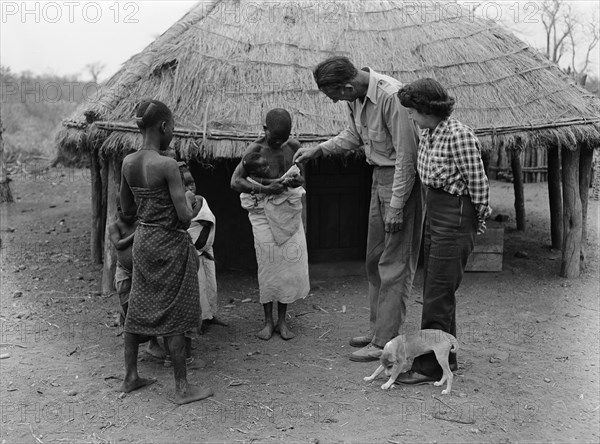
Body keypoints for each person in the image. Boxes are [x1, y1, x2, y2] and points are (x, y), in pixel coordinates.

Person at [293, 56, 424, 362]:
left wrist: (396, 206)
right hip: (379, 178)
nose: (336, 101)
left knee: (395, 265)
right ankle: (378, 329)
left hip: (401, 182)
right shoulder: (356, 98)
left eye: (335, 95)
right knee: (374, 260)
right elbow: (354, 136)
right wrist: (319, 149)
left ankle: (385, 342)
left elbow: (407, 155)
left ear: (348, 85)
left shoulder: (391, 96)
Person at [396, 78, 491, 384]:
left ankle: (428, 367)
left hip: (455, 215)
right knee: (438, 291)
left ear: (426, 109)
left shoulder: (458, 135)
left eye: (413, 111)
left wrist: (478, 220)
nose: (410, 116)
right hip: (434, 211)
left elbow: (478, 184)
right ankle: (446, 358)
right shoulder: (429, 133)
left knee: (437, 295)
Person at [119, 99, 213, 404]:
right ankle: (182, 388)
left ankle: (131, 376)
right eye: (172, 127)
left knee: (137, 307)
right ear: (163, 126)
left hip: (143, 240)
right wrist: (188, 197)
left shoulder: (128, 163)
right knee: (173, 312)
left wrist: (150, 205)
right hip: (170, 244)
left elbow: (127, 210)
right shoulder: (167, 165)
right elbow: (185, 217)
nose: (172, 132)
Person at [231, 108, 309, 341]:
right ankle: (267, 321)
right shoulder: (254, 150)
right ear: (264, 129)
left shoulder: (294, 147)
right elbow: (235, 182)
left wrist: (296, 180)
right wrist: (265, 188)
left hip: (287, 213)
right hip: (263, 213)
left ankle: (283, 322)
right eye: (274, 138)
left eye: (282, 139)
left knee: (287, 266)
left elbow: (303, 177)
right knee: (268, 264)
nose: (278, 143)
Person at [108, 199, 164, 359]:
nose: (133, 215)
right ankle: (132, 341)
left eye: (135, 212)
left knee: (148, 306)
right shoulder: (115, 226)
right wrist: (136, 234)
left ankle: (152, 342)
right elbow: (118, 244)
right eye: (129, 212)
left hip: (142, 272)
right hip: (124, 273)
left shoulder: (138, 223)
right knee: (128, 307)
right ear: (119, 209)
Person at [182, 170, 227, 331]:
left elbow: (208, 220)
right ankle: (199, 319)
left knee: (210, 283)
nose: (191, 187)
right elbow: (189, 222)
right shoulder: (180, 204)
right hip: (192, 250)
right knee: (198, 284)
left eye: (192, 182)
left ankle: (211, 315)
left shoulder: (201, 200)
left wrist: (204, 226)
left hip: (207, 248)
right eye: (186, 185)